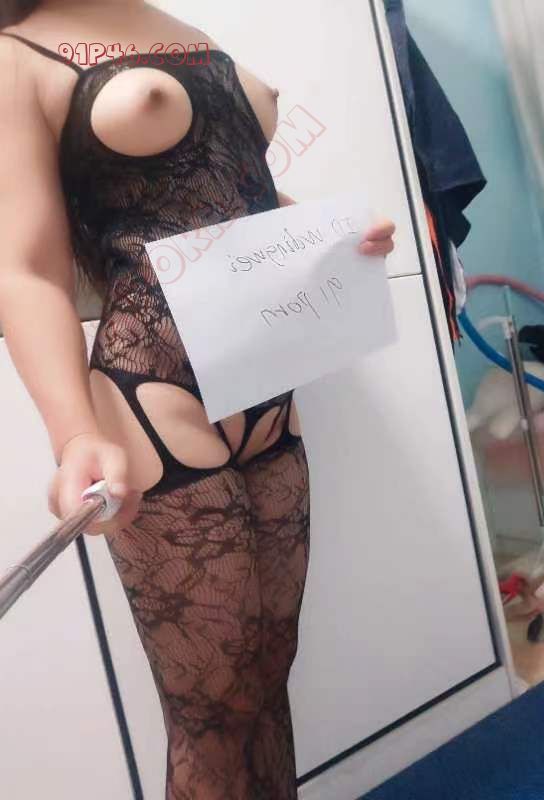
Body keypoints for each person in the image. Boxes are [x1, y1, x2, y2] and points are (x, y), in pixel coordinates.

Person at [0, 1, 396, 797]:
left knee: (270, 670)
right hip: (151, 392)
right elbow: (26, 269)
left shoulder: (182, 29)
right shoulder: (16, 56)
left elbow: (233, 203)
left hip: (264, 380)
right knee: (211, 710)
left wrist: (331, 235)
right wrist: (73, 435)